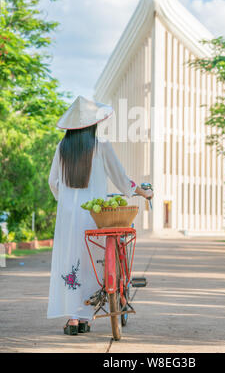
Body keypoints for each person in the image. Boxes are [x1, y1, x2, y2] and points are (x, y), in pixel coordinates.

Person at [47, 96, 153, 335]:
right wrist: (141, 192)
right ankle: (88, 313)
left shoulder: (62, 147)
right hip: (94, 215)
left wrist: (65, 202)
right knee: (93, 263)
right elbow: (121, 178)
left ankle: (74, 318)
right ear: (92, 124)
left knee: (71, 261)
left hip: (68, 218)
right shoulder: (101, 144)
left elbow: (52, 181)